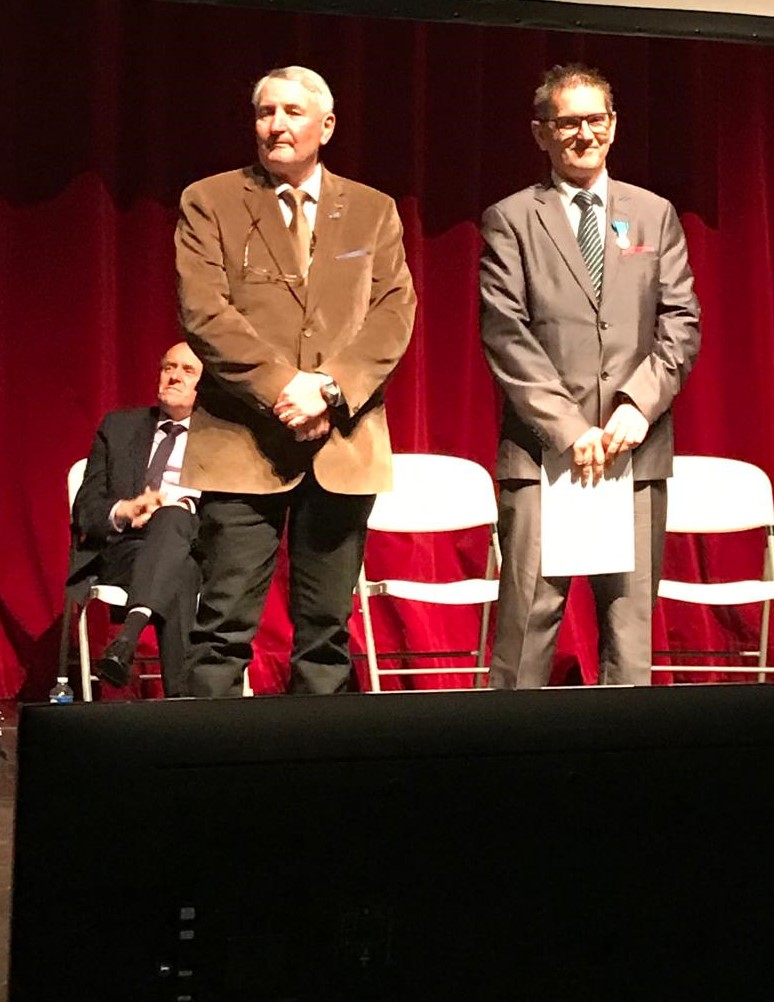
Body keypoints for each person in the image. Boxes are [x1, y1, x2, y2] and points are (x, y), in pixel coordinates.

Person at [175, 65, 416, 697]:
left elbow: (394, 313)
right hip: (242, 443)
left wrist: (329, 388)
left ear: (326, 125)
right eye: (264, 112)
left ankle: (319, 779)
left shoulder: (372, 209)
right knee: (222, 627)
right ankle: (208, 778)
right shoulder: (210, 199)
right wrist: (287, 387)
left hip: (342, 442)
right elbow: (204, 312)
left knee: (326, 634)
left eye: (291, 112)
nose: (276, 124)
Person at [479, 63, 701, 689]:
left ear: (614, 125)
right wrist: (571, 427)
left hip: (636, 450)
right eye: (568, 122)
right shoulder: (512, 218)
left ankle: (626, 775)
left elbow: (680, 322)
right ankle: (505, 769)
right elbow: (505, 333)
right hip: (544, 455)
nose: (585, 134)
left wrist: (638, 405)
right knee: (527, 633)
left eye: (596, 119)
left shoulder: (653, 214)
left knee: (629, 644)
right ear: (541, 133)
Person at [67, 342, 203, 697]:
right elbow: (86, 509)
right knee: (179, 570)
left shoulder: (221, 439)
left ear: (206, 386)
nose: (173, 376)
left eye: (187, 371)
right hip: (125, 552)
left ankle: (127, 638)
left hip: (196, 549)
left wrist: (184, 507)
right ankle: (183, 709)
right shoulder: (119, 427)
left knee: (176, 525)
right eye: (168, 367)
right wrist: (125, 510)